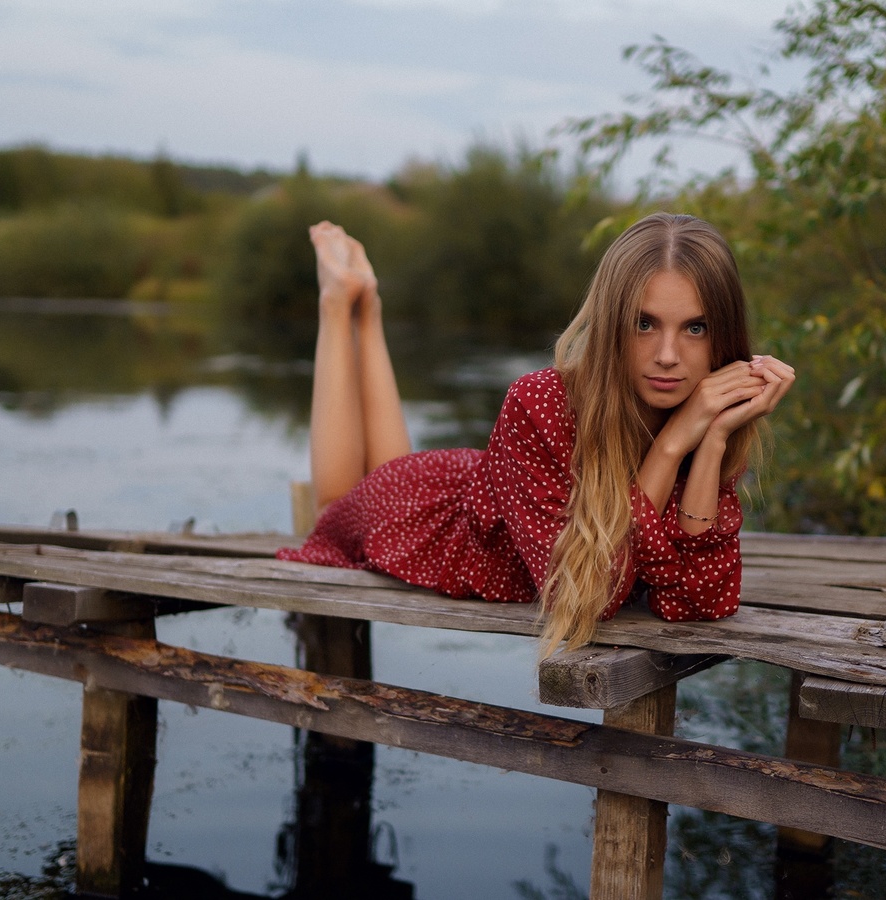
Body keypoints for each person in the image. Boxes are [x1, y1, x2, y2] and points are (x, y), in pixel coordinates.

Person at [277, 213, 795, 654]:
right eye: (644, 323)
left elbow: (704, 599)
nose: (666, 354)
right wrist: (672, 445)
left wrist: (712, 442)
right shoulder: (539, 400)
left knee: (379, 474)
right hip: (433, 524)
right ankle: (341, 303)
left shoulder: (703, 408)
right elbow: (588, 599)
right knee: (334, 509)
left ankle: (367, 309)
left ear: (722, 337)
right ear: (612, 322)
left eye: (695, 328)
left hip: (487, 487)